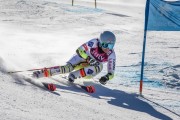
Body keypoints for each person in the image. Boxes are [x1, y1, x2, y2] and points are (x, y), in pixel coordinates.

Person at [33, 31, 116, 85]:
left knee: (99, 66)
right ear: (100, 42)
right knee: (67, 68)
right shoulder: (94, 42)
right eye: (105, 45)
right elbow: (79, 50)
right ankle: (42, 73)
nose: (108, 48)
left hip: (90, 71)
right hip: (82, 59)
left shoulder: (111, 54)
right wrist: (88, 58)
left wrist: (106, 78)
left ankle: (74, 75)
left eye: (111, 45)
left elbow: (111, 73)